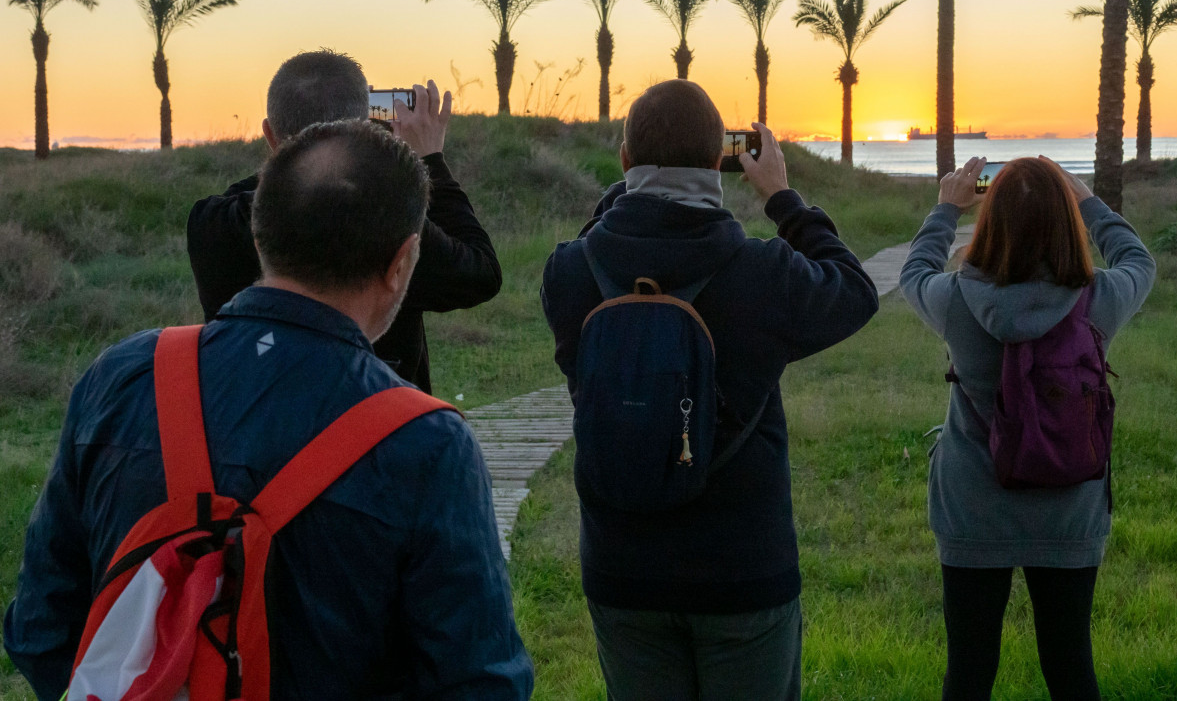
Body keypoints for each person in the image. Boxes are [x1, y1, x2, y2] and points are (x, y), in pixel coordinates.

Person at [4, 119, 534, 700]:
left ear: (260, 240)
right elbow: (480, 682)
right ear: (402, 262)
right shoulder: (427, 443)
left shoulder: (122, 376)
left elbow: (39, 630)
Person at [540, 79, 879, 700]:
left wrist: (630, 183)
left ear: (624, 163)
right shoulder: (765, 273)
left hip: (622, 569)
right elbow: (854, 292)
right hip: (743, 568)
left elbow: (599, 234)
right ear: (719, 162)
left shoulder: (568, 272)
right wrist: (782, 198)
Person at [899, 156, 1156, 701]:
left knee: (968, 670)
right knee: (1069, 665)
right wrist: (1088, 201)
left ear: (991, 222)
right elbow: (1139, 260)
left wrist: (946, 208)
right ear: (1067, 221)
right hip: (1069, 507)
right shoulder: (1099, 299)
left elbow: (913, 273)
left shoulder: (954, 301)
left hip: (972, 509)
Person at [187, 48, 500, 393]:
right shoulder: (383, 211)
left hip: (246, 428)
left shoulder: (211, 223)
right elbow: (480, 273)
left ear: (269, 133)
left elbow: (271, 187)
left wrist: (302, 153)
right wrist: (427, 160)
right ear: (365, 126)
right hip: (380, 430)